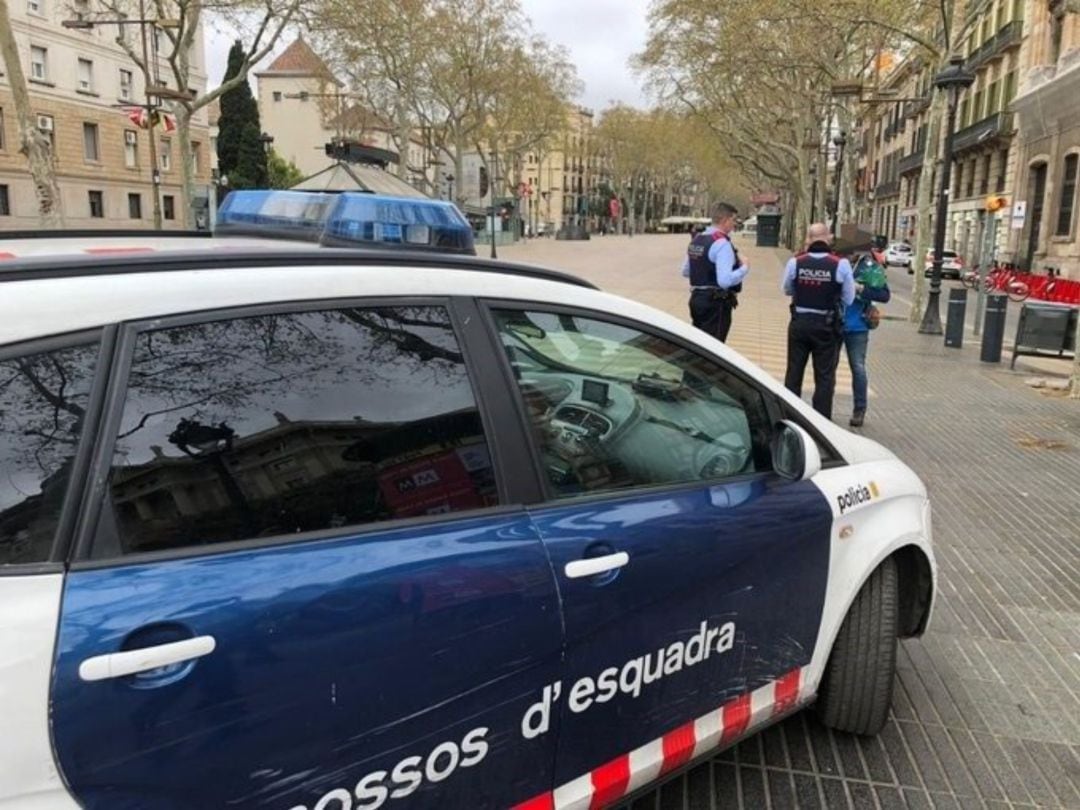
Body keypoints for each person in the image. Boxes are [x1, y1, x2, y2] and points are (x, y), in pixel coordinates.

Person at [782, 223, 855, 419]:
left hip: (799, 322)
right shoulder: (840, 264)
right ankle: (821, 420)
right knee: (824, 377)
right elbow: (849, 298)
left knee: (794, 372)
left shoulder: (795, 262)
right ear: (827, 237)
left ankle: (790, 416)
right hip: (826, 325)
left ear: (809, 238)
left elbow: (787, 289)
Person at [680, 202, 750, 341]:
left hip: (696, 299)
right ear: (725, 220)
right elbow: (724, 281)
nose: (734, 224)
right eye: (733, 220)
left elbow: (685, 271)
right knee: (714, 347)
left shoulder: (697, 240)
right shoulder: (722, 243)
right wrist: (744, 268)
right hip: (715, 303)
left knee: (699, 345)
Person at [841, 251, 891, 427]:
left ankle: (859, 409)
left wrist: (861, 289)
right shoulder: (837, 260)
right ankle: (823, 409)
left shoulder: (869, 266)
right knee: (827, 368)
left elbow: (884, 295)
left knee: (858, 367)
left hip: (858, 325)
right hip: (834, 323)